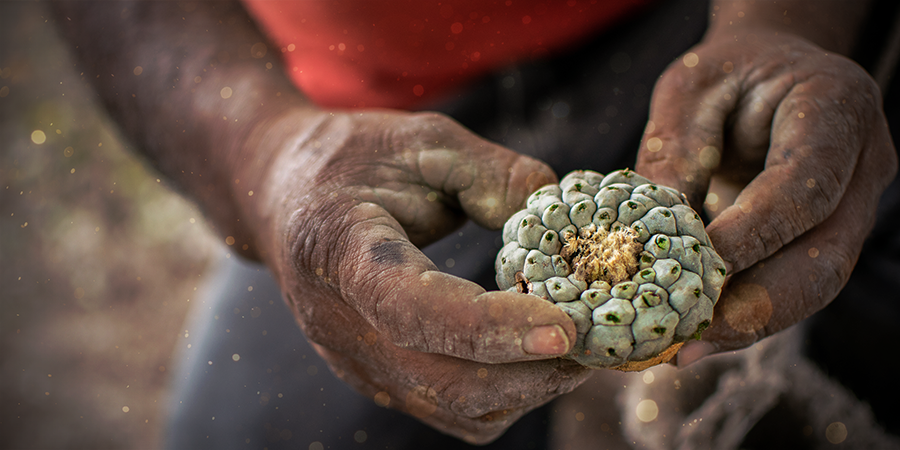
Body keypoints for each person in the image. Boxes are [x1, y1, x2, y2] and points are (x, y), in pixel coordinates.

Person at [51, 0, 900, 447]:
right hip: (368, 116)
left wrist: (791, 25)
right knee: (256, 437)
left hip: (697, 23)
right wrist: (265, 160)